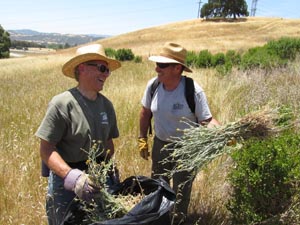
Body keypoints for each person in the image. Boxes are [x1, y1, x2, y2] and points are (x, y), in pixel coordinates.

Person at [35, 44, 121, 225]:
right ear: (82, 68)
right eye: (102, 68)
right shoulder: (62, 104)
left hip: (97, 178)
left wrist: (109, 169)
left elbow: (108, 144)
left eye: (107, 71)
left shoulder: (107, 106)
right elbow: (46, 150)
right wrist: (72, 177)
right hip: (67, 181)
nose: (106, 74)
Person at [138, 42, 220, 224]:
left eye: (162, 65)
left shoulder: (193, 90)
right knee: (158, 187)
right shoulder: (153, 85)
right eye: (157, 64)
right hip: (161, 144)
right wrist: (142, 138)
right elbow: (145, 112)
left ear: (177, 68)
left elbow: (206, 120)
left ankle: (178, 220)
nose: (157, 68)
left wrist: (222, 133)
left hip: (187, 149)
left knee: (182, 191)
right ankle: (158, 220)